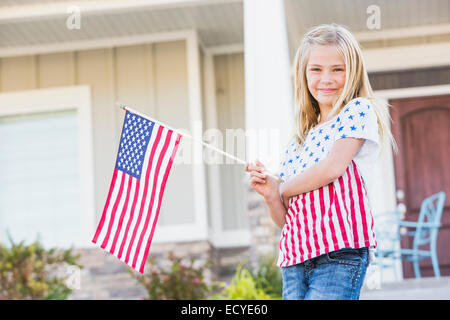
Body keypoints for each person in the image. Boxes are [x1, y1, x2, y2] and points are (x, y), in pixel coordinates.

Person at [245, 23, 396, 300]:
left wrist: (282, 186)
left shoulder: (357, 111)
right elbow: (287, 220)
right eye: (316, 69)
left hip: (339, 253)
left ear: (353, 72)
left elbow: (331, 168)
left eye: (337, 69)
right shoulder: (299, 142)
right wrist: (271, 195)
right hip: (294, 259)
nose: (327, 78)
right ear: (303, 74)